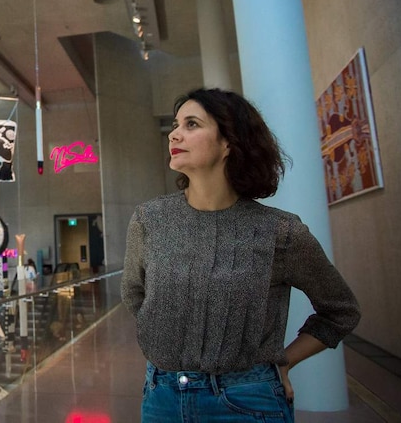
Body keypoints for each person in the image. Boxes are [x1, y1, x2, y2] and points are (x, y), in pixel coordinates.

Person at [122, 88, 360, 422]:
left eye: (192, 124)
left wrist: (285, 361)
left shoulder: (280, 232)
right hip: (162, 398)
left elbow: (341, 311)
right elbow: (135, 294)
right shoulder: (150, 220)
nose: (174, 134)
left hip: (249, 400)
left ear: (229, 142)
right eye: (175, 125)